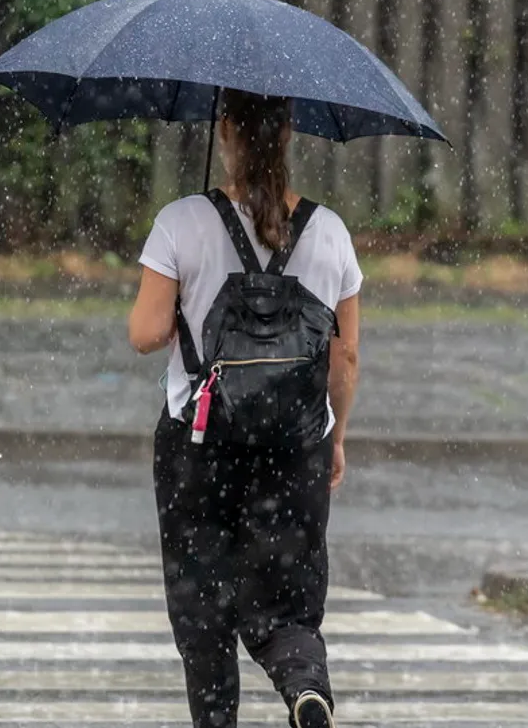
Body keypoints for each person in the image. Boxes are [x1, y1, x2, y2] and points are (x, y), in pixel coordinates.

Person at [127, 87, 362, 728]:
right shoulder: (331, 232)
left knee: (203, 605)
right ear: (289, 131)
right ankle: (304, 686)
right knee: (287, 601)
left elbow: (145, 334)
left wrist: (184, 307)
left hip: (199, 444)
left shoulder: (180, 222)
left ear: (223, 130)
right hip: (296, 445)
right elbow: (344, 360)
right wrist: (334, 439)